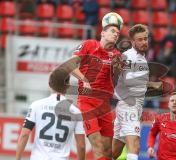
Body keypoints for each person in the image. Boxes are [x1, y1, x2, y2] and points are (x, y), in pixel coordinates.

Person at [50, 12, 124, 160]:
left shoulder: (117, 55)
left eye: (118, 33)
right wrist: (84, 79)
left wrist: (118, 68)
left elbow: (116, 80)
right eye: (112, 31)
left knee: (108, 151)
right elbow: (70, 65)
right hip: (87, 102)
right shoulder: (89, 45)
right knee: (97, 144)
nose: (116, 34)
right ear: (103, 33)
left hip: (105, 105)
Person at [112, 24, 163, 160]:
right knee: (134, 146)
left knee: (114, 152)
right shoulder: (129, 57)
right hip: (129, 105)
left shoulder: (141, 59)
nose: (144, 42)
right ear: (133, 42)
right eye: (139, 40)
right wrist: (153, 84)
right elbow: (128, 82)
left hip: (129, 105)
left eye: (145, 39)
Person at [16, 70, 85, 160]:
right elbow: (81, 145)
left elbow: (24, 134)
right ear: (68, 86)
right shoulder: (76, 112)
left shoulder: (36, 105)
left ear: (49, 84)